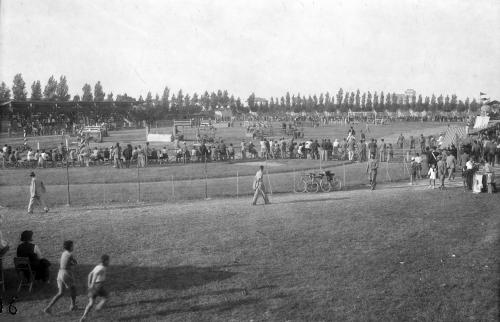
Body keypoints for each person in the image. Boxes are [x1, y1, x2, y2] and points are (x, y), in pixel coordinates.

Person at [44, 240, 78, 314]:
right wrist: (73, 263)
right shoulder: (70, 254)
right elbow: (75, 263)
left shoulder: (64, 253)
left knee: (61, 292)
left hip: (60, 273)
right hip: (66, 273)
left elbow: (65, 263)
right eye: (72, 246)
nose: (73, 247)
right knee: (73, 289)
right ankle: (73, 305)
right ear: (70, 247)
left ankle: (48, 307)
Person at [80, 254, 111, 322]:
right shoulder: (102, 268)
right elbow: (95, 274)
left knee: (91, 303)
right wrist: (93, 283)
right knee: (107, 297)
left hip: (93, 287)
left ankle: (84, 316)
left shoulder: (97, 266)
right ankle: (98, 307)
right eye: (108, 261)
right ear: (105, 261)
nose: (109, 262)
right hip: (98, 286)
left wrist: (89, 284)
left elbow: (90, 274)